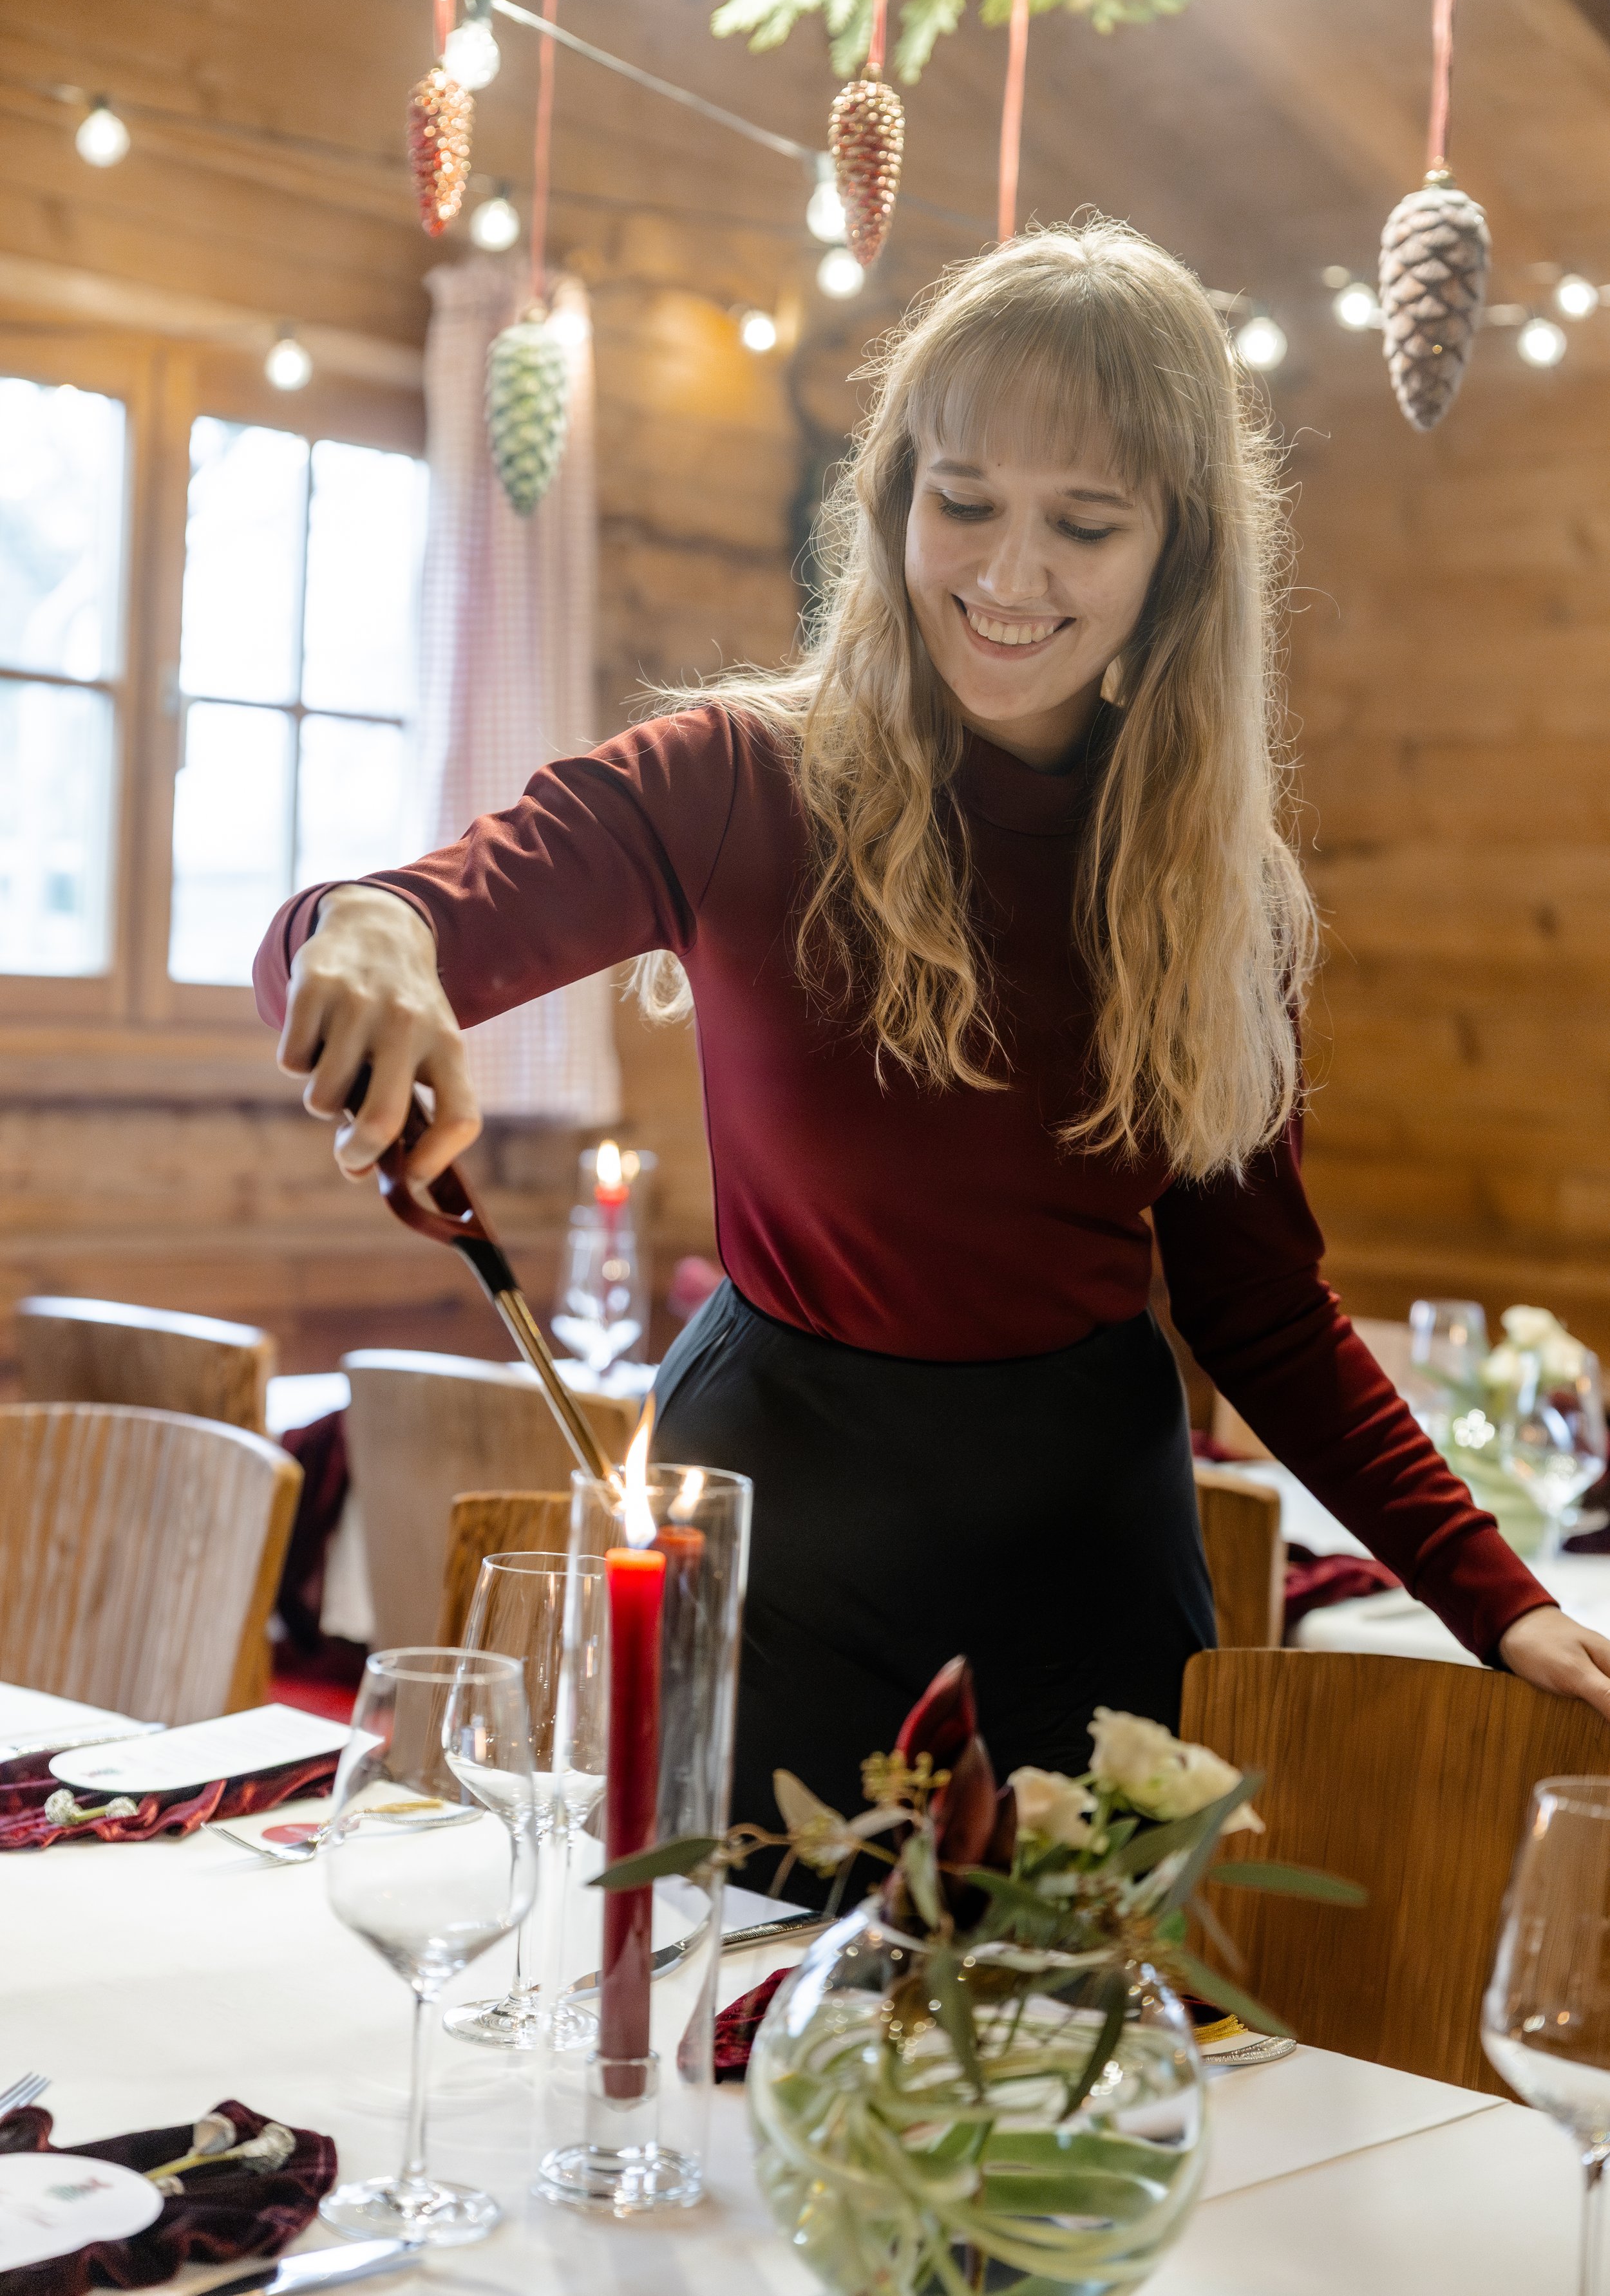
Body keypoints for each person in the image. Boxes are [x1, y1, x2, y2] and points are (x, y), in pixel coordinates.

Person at [255, 220, 1610, 1838]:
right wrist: (367, 935)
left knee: (1067, 2054)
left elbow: (1259, 1311)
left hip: (1084, 1566)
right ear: (895, 494)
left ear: (1176, 553)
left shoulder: (1212, 891)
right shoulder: (732, 780)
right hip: (764, 1541)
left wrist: (1493, 1598)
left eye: (1082, 526)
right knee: (702, 2006)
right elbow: (389, 923)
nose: (1006, 575)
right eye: (961, 502)